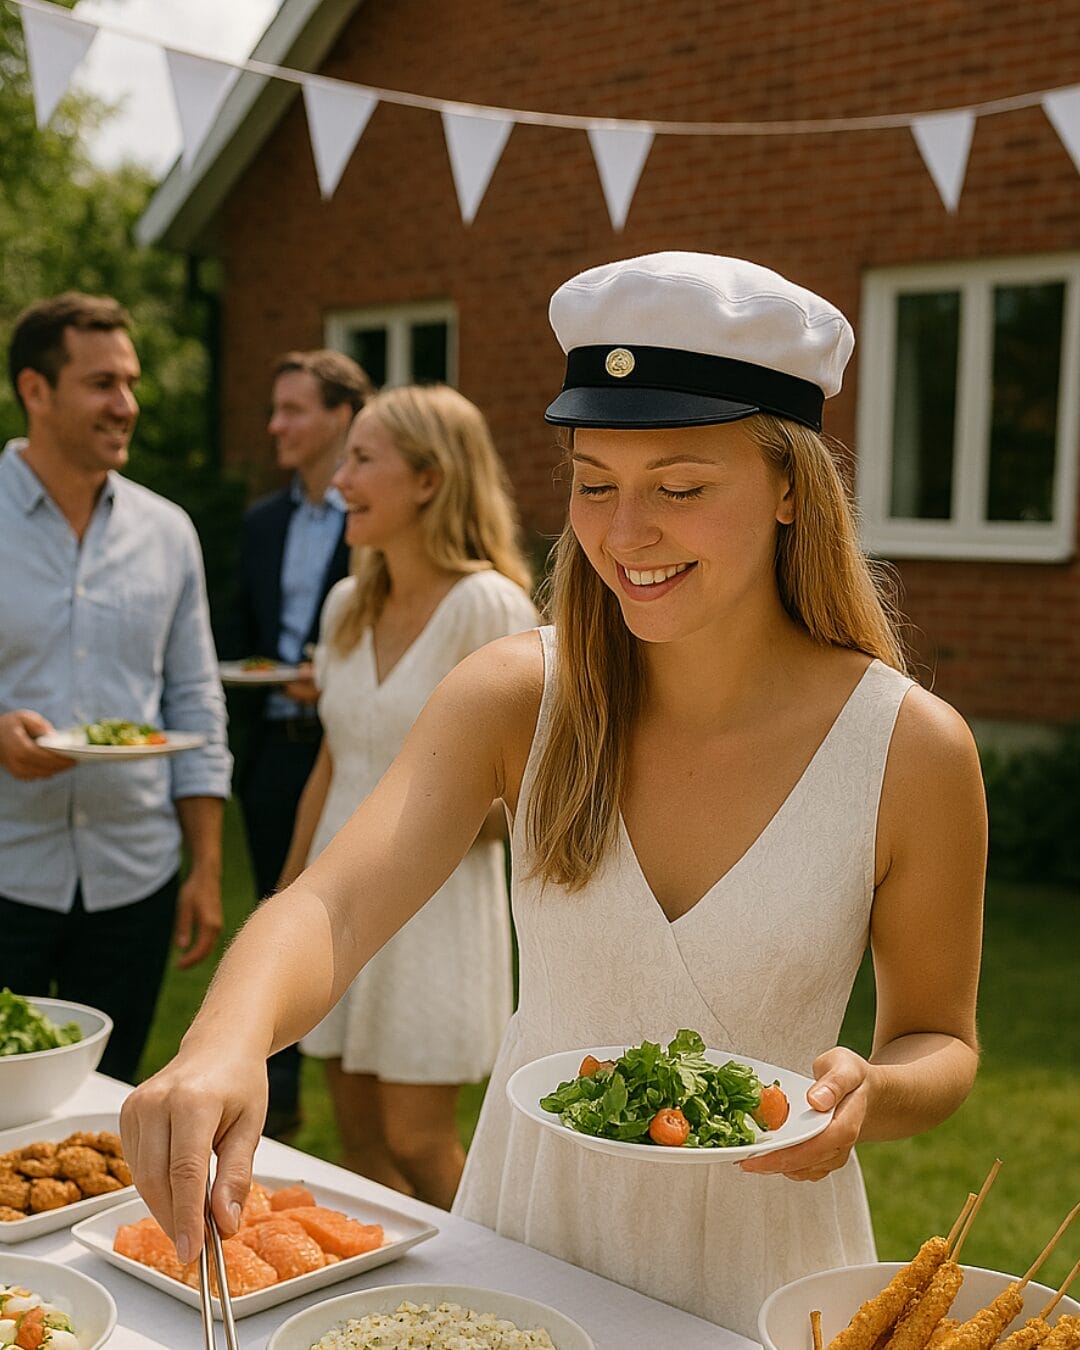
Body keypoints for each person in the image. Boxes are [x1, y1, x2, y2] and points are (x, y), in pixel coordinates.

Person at [121, 253, 986, 1336]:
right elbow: (330, 906)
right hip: (527, 1241)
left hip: (768, 1277)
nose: (626, 536)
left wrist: (873, 1092)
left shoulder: (912, 749)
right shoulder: (517, 695)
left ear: (786, 488)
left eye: (679, 487)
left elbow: (939, 1041)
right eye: (593, 483)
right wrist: (222, 1045)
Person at [278, 383, 538, 1207]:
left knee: (416, 1143)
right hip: (337, 898)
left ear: (429, 479)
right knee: (359, 1150)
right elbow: (335, 757)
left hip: (435, 906)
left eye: (361, 459)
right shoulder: (347, 603)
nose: (337, 480)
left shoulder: (488, 606)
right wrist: (287, 897)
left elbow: (530, 795)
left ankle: (511, 1296)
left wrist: (430, 823)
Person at [0, 292, 231, 1084]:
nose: (125, 405)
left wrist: (204, 866)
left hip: (135, 875)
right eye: (103, 384)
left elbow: (195, 700)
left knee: (111, 1096)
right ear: (36, 390)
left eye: (130, 383)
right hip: (7, 870)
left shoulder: (168, 532)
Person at [222, 348, 372, 1139]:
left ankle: (355, 1065)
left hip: (354, 747)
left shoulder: (376, 517)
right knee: (274, 908)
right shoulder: (261, 522)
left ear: (342, 417)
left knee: (346, 912)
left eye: (293, 410)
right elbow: (243, 633)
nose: (275, 425)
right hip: (275, 748)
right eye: (273, 409)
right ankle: (273, 1090)